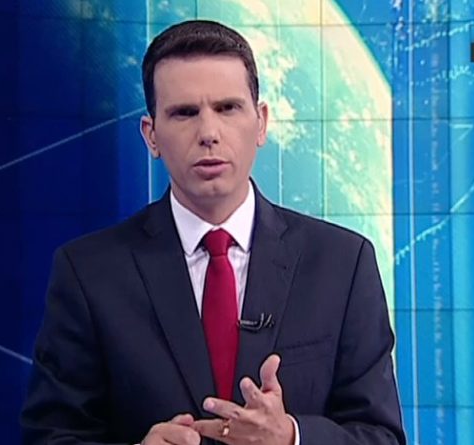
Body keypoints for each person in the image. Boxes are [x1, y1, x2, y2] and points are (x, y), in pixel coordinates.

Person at [20, 20, 406, 445]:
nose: (208, 134)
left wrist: (291, 437)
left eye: (227, 108)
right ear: (151, 135)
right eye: (184, 113)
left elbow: (381, 436)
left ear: (261, 122)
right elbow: (51, 436)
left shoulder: (342, 263)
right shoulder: (89, 273)